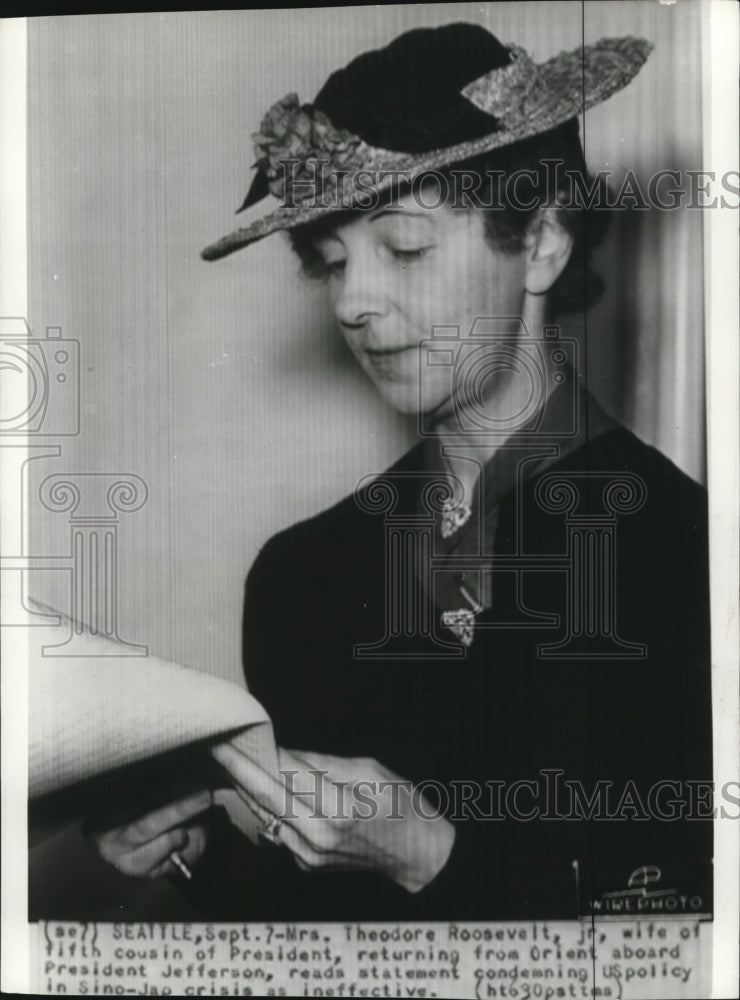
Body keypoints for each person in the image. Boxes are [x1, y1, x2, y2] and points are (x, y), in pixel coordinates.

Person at [91, 22, 712, 920]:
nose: (353, 303)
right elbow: (307, 927)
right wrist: (203, 846)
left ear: (540, 242)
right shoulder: (305, 575)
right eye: (332, 262)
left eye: (405, 249)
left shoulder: (687, 553)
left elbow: (687, 927)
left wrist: (429, 854)